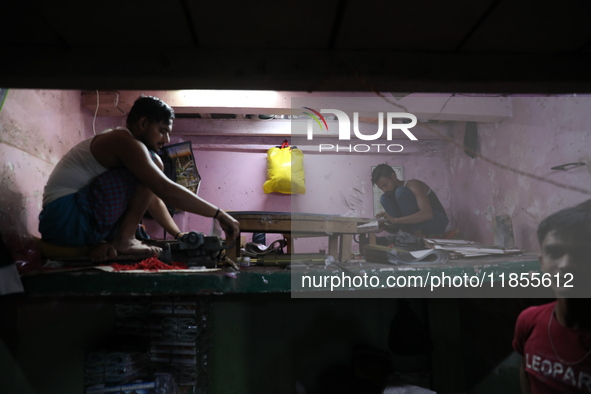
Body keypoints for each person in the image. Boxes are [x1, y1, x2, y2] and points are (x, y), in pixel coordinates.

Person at [39, 95, 240, 262]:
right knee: (155, 165)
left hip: (69, 221)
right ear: (143, 123)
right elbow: (163, 188)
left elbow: (153, 197)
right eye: (162, 131)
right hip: (65, 216)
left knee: (152, 171)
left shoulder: (130, 148)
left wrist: (177, 235)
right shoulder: (123, 141)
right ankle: (124, 239)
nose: (166, 140)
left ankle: (118, 239)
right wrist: (219, 214)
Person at [512, 203, 591, 393]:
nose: (565, 264)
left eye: (581, 254)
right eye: (554, 253)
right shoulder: (529, 320)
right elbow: (526, 373)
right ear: (541, 263)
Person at [371, 164, 448, 236]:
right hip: (420, 226)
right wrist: (384, 226)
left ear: (393, 176)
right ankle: (415, 235)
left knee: (400, 192)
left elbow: (428, 214)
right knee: (384, 198)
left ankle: (418, 235)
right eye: (381, 188)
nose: (384, 190)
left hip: (437, 221)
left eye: (385, 185)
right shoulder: (389, 196)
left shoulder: (412, 184)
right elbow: (396, 229)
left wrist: (395, 220)